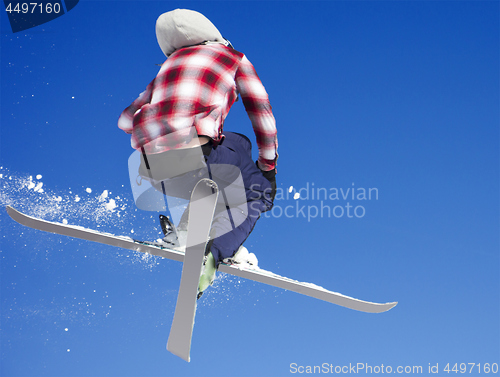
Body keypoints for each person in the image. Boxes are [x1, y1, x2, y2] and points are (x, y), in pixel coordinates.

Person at [118, 9, 278, 296]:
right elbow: (262, 114)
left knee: (233, 150)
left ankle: (185, 234)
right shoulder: (233, 58)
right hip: (198, 157)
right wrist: (268, 168)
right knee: (256, 192)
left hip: (154, 170)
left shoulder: (167, 66)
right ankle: (215, 253)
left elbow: (125, 121)